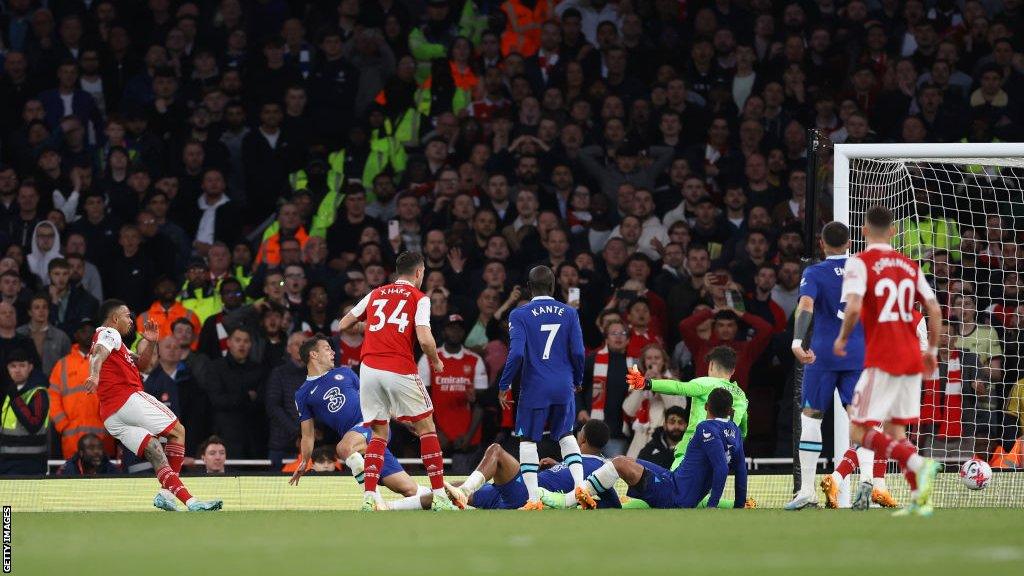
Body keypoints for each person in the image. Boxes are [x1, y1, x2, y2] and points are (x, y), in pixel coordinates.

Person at [834, 204, 942, 516]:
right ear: (893, 231)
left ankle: (918, 463)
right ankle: (920, 499)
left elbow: (853, 307)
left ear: (864, 231)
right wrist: (931, 353)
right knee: (896, 433)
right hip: (911, 360)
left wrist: (841, 339)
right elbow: (934, 310)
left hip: (882, 359)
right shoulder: (910, 265)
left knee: (857, 431)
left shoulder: (860, 262)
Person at [786, 221, 897, 510]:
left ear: (821, 245)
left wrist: (798, 341)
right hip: (858, 355)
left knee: (811, 418)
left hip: (822, 355)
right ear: (850, 243)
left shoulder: (814, 272)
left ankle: (807, 491)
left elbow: (806, 306)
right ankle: (869, 482)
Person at [335, 251, 457, 511]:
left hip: (368, 369)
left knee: (378, 434)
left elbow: (344, 323)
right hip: (398, 366)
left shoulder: (376, 293)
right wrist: (435, 361)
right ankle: (440, 495)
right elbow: (424, 339)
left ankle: (369, 497)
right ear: (419, 272)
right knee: (426, 428)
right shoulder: (419, 298)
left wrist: (367, 328)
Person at [84, 299, 222, 512]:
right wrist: (94, 375)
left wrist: (150, 342)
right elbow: (99, 353)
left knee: (155, 450)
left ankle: (186, 501)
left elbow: (144, 364)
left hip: (111, 416)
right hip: (127, 399)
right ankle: (169, 495)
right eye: (127, 316)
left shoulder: (118, 347)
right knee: (178, 431)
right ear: (114, 319)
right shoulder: (109, 334)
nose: (131, 320)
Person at [289, 335, 431, 511]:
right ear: (314, 355)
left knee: (343, 448)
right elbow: (308, 435)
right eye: (327, 349)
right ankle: (448, 496)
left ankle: (373, 501)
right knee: (409, 489)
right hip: (357, 441)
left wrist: (402, 419)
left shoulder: (345, 372)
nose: (333, 352)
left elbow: (375, 398)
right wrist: (304, 461)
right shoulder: (302, 394)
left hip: (372, 426)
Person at [497, 265, 587, 509]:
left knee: (527, 441)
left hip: (535, 385)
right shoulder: (569, 312)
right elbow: (578, 352)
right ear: (554, 286)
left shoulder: (520, 314)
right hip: (563, 384)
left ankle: (534, 499)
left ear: (529, 287)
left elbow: (516, 354)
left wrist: (504, 384)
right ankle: (580, 488)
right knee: (566, 435)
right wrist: (577, 380)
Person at [573, 388, 750, 510]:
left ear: (706, 407)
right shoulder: (734, 432)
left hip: (674, 496)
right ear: (730, 410)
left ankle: (571, 499)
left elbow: (721, 467)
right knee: (623, 459)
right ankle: (597, 500)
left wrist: (712, 505)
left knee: (619, 463)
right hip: (673, 481)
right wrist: (740, 503)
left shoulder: (706, 428)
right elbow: (741, 468)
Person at [630, 345, 748, 490]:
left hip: (693, 449)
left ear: (711, 365)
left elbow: (679, 388)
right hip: (720, 456)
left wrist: (647, 383)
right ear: (733, 370)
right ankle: (738, 504)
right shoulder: (742, 396)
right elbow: (742, 430)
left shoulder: (705, 383)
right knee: (697, 497)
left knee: (670, 490)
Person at [444, 420, 621, 510]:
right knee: (452, 488)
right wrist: (557, 465)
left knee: (496, 451)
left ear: (582, 438)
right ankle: (417, 497)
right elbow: (611, 501)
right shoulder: (581, 464)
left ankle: (463, 491)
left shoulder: (602, 467)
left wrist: (574, 504)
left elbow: (613, 504)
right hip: (512, 493)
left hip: (524, 493)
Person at [417, 314, 487, 474]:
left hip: (467, 439)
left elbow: (480, 404)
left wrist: (468, 437)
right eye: (451, 328)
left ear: (463, 333)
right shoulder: (429, 358)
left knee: (462, 485)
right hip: (436, 434)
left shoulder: (475, 360)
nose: (455, 332)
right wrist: (435, 431)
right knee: (432, 481)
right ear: (443, 332)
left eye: (459, 329)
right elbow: (421, 399)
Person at [48, 317, 115, 458]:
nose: (88, 334)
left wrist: (111, 426)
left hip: (103, 437)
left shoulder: (108, 361)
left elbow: (117, 395)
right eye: (83, 331)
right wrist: (63, 426)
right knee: (72, 476)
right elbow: (53, 397)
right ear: (76, 335)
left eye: (92, 331)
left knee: (106, 478)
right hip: (72, 437)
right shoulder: (63, 364)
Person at [0, 349, 49, 475]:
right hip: (7, 461)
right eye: (13, 366)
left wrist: (16, 398)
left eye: (22, 365)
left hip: (30, 463)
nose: (17, 370)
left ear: (30, 367)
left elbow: (34, 425)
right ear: (8, 369)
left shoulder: (38, 392)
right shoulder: (11, 390)